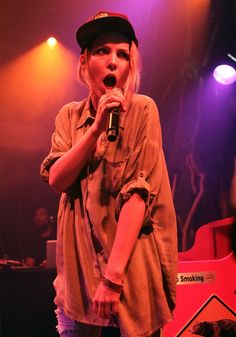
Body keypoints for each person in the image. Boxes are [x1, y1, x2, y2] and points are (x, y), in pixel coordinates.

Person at [40, 11, 177, 337]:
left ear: (131, 66)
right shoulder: (69, 116)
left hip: (129, 275)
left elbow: (139, 195)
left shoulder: (144, 109)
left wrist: (112, 280)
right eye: (103, 51)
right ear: (85, 62)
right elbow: (58, 179)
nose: (113, 61)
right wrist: (95, 130)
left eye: (122, 54)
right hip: (78, 277)